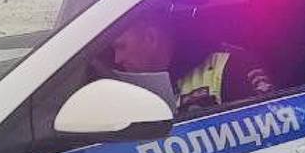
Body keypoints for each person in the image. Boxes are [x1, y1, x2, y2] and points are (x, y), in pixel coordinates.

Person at [102, 13, 274, 117]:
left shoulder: (232, 65)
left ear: (150, 38)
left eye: (121, 47)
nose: (118, 59)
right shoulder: (133, 83)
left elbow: (267, 124)